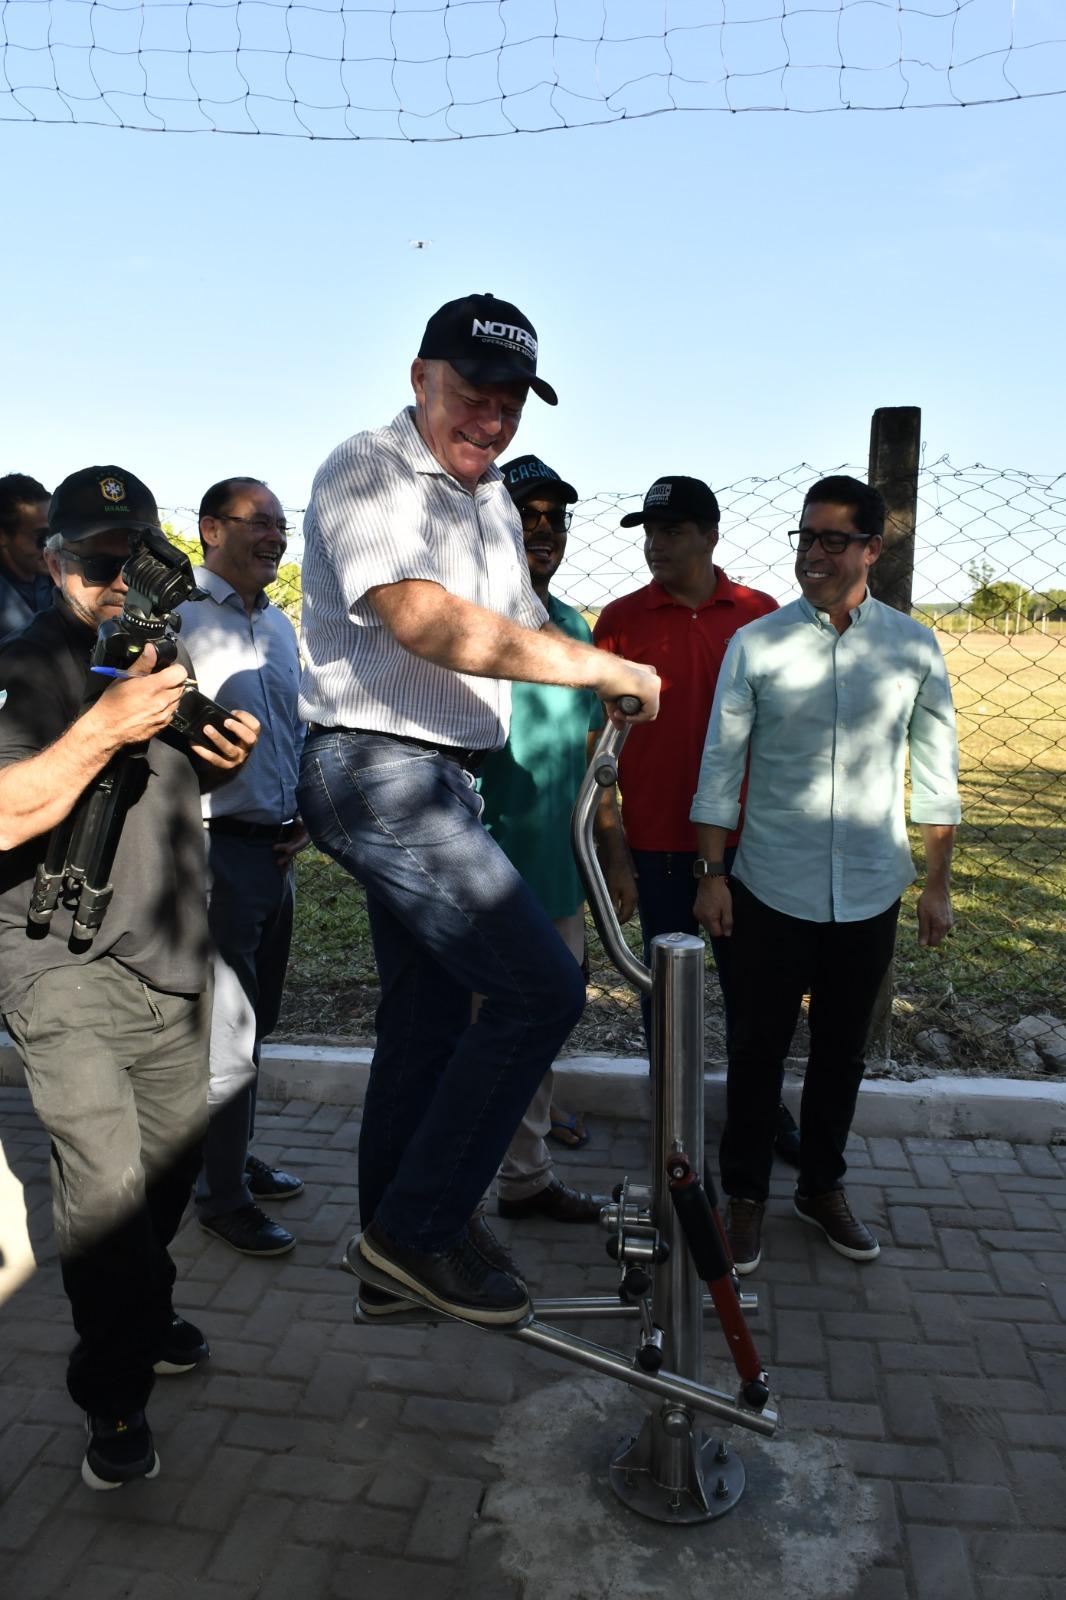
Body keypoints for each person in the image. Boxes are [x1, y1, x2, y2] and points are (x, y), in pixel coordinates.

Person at [297, 292, 660, 1326]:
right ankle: (417, 1228)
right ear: (421, 378)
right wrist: (602, 666)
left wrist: (596, 677)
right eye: (472, 396)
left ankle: (390, 1261)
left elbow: (526, 623)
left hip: (443, 777)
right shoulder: (369, 469)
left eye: (510, 405)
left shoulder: (492, 497)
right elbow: (424, 620)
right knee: (541, 991)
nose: (491, 422)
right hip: (374, 767)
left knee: (424, 1020)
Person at [0, 465, 259, 1489]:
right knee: (104, 1192)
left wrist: (224, 753)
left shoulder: (164, 653)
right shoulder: (24, 666)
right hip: (56, 962)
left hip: (169, 952)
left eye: (136, 561)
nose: (118, 582)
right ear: (53, 560)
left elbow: (188, 777)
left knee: (165, 1176)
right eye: (97, 562)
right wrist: (105, 723)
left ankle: (141, 1313)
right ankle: (112, 1396)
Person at [691, 475, 960, 1273]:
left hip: (871, 888)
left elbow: (935, 771)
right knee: (757, 1049)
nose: (813, 553)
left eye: (832, 540)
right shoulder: (759, 644)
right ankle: (744, 1197)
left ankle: (821, 1186)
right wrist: (712, 874)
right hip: (771, 883)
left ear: (872, 549)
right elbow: (720, 764)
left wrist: (937, 883)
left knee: (843, 1052)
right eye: (805, 537)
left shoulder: (913, 647)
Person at [591, 476, 799, 1158]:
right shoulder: (621, 620)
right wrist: (615, 852)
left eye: (673, 532)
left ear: (710, 535)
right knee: (665, 994)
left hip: (746, 845)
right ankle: (672, 1119)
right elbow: (601, 748)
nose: (657, 546)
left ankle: (758, 1112)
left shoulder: (759, 615)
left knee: (755, 992)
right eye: (650, 533)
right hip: (656, 845)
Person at [477, 453, 614, 1223]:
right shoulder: (466, 627)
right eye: (525, 516)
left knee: (542, 1030)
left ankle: (525, 1179)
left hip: (557, 876)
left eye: (555, 519)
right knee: (473, 1036)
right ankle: (447, 1200)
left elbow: (593, 760)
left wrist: (611, 856)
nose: (543, 531)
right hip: (477, 877)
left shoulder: (573, 629)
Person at [176, 477, 309, 1258]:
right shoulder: (178, 618)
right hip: (211, 852)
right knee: (226, 1030)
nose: (275, 536)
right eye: (258, 522)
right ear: (210, 529)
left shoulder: (281, 627)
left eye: (281, 525)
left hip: (276, 852)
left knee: (259, 1021)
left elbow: (294, 732)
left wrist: (301, 816)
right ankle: (221, 1197)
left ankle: (228, 1154)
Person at [0, 473, 53, 645]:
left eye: (55, 533)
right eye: (41, 536)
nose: (51, 545)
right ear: (2, 537)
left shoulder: (64, 582)